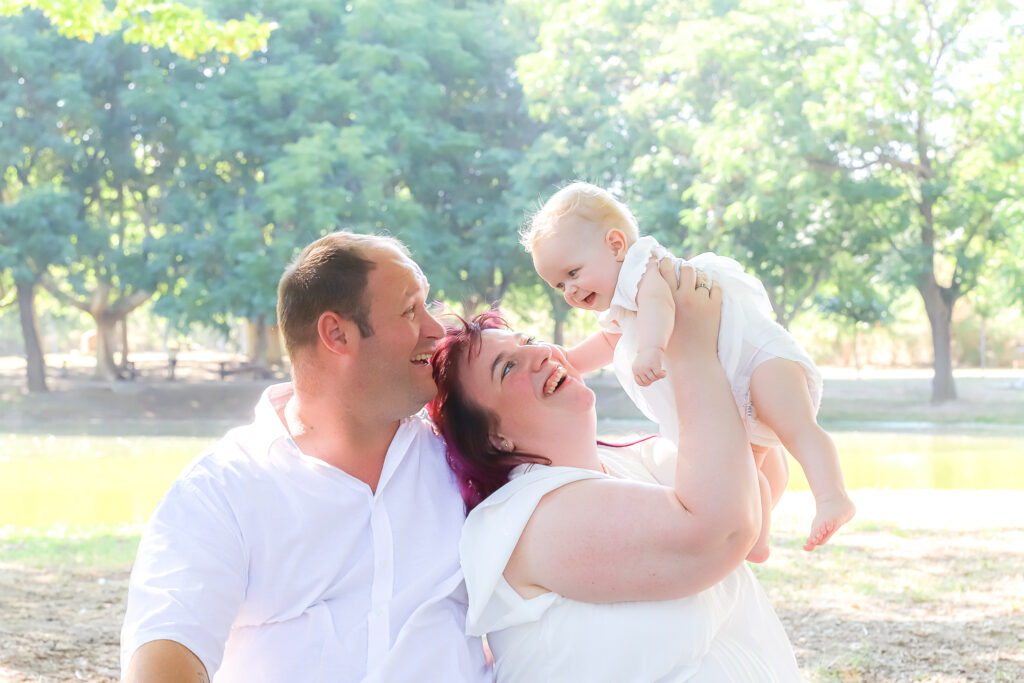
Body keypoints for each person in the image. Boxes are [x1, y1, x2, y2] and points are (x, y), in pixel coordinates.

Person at [120, 232, 491, 682]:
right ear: (337, 333)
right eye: (411, 310)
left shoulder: (467, 460)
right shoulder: (222, 488)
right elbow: (165, 653)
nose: (437, 330)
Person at [427, 260, 804, 681]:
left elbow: (759, 492)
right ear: (493, 438)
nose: (540, 353)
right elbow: (720, 533)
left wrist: (733, 346)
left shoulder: (634, 456)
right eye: (508, 367)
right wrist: (690, 346)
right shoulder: (528, 516)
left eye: (528, 340)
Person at [522, 181, 855, 557]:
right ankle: (756, 538)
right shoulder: (620, 306)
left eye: (573, 272)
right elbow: (610, 342)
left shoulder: (643, 268)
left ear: (616, 245)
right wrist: (571, 361)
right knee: (745, 470)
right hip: (730, 392)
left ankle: (832, 496)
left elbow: (658, 304)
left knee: (797, 428)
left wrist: (652, 350)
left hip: (759, 361)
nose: (569, 290)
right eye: (559, 285)